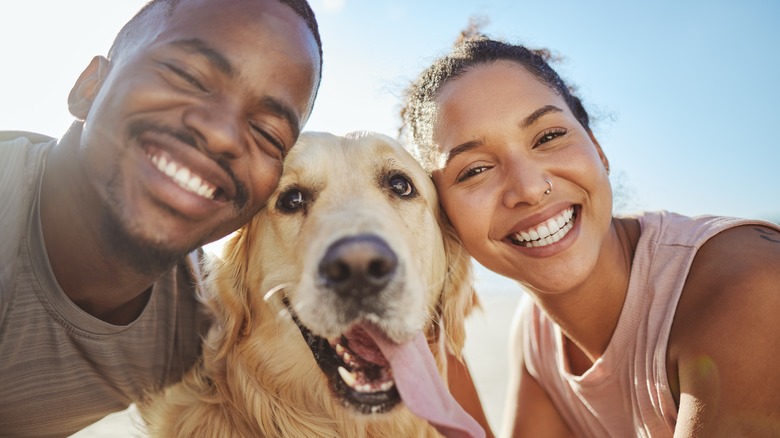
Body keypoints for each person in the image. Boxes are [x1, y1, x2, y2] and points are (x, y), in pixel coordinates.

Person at [401, 30, 780, 437]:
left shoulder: (752, 289)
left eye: (548, 137)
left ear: (598, 149)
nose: (529, 188)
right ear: (445, 220)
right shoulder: (538, 333)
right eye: (475, 170)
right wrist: (423, 329)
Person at [0, 0, 322, 436]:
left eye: (268, 134)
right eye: (187, 77)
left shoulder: (207, 332)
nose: (222, 134)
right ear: (89, 87)